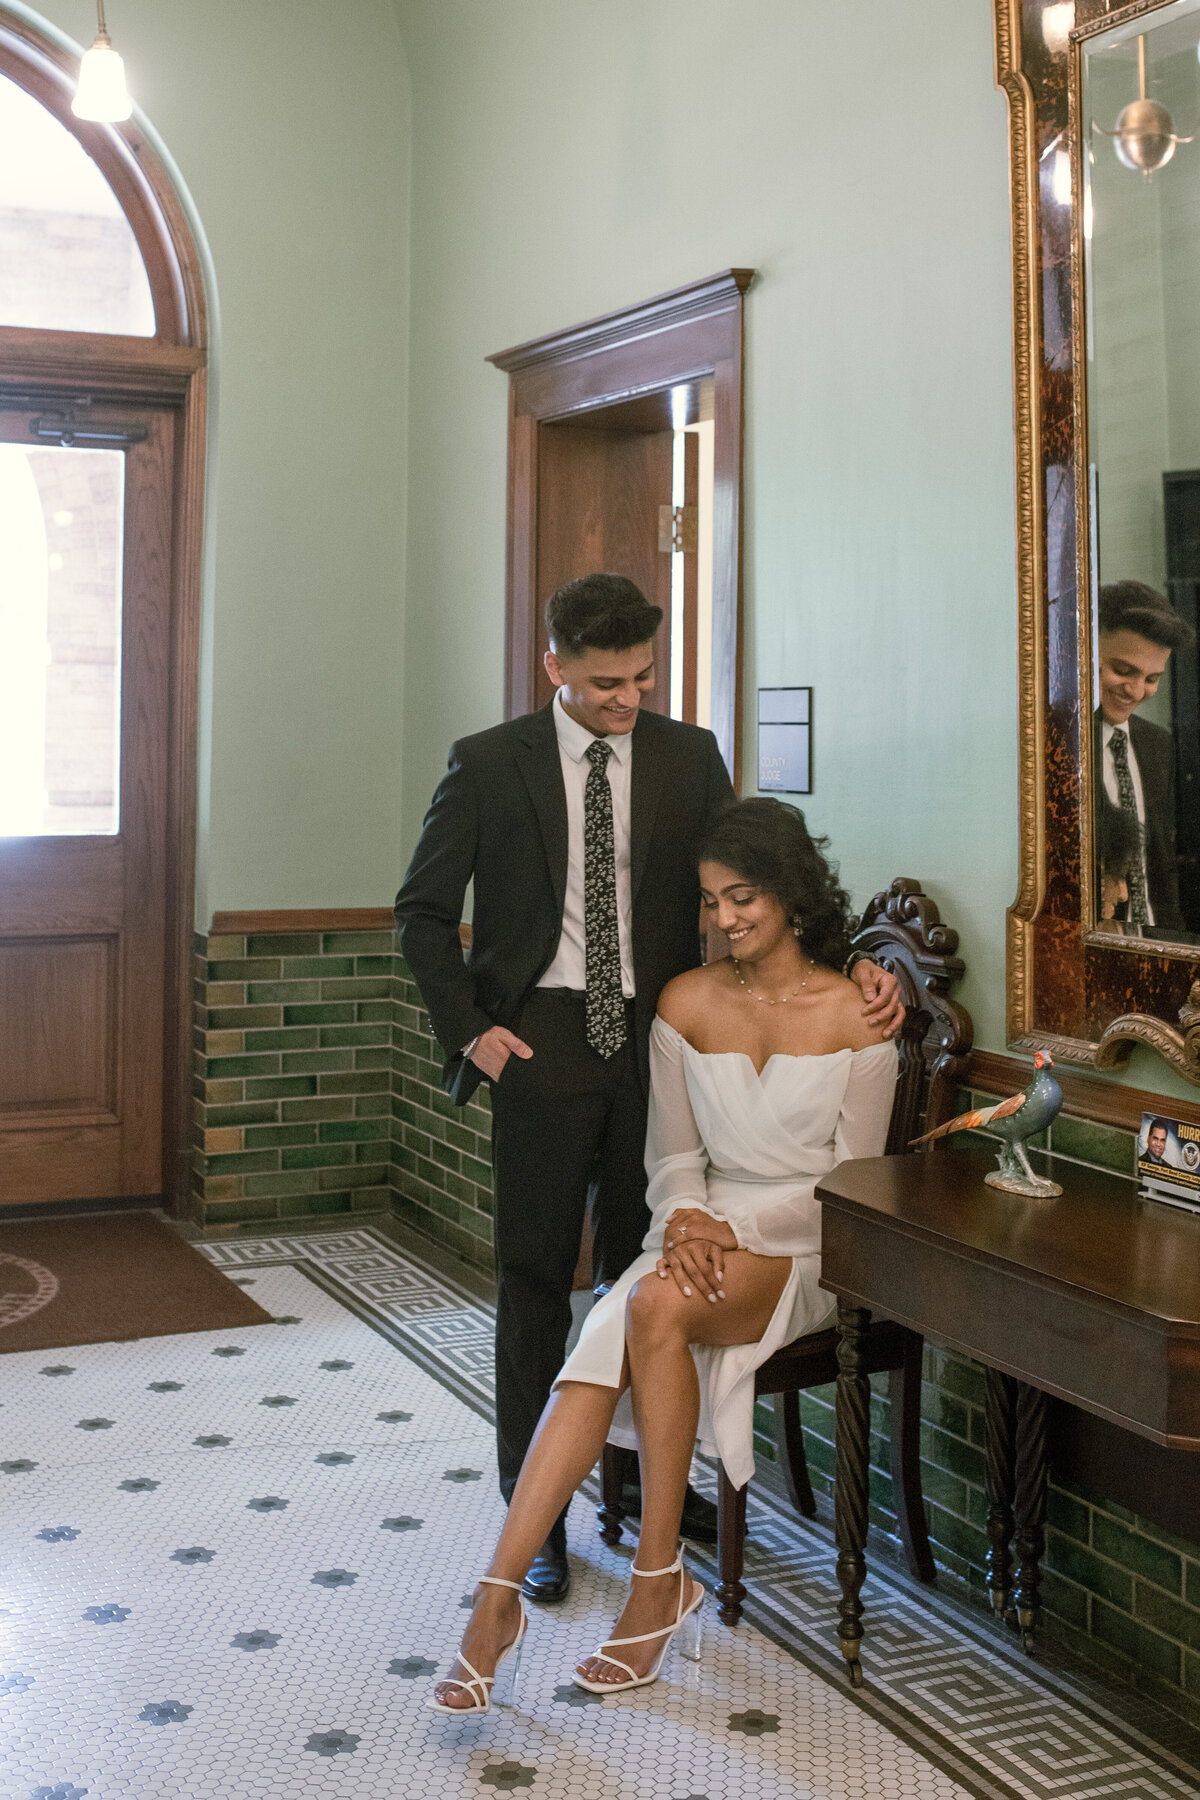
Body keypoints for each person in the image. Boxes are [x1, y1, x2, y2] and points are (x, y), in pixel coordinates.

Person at [396, 574, 904, 1604]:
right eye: (602, 683)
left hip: (657, 1034)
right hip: (538, 1043)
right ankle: (528, 1511)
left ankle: (645, 1491)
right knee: (537, 1276)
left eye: (639, 678)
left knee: (644, 1269)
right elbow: (419, 911)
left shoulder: (689, 756)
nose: (626, 699)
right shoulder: (490, 764)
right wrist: (474, 1035)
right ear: (556, 669)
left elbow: (761, 874)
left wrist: (851, 962)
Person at [427, 797, 898, 1714]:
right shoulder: (685, 1000)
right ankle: (500, 1602)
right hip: (693, 1233)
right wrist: (687, 1219)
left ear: (793, 895)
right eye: (711, 901)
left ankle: (652, 1583)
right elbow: (674, 1156)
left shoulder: (855, 1016)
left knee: (645, 1309)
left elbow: (857, 1189)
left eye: (745, 899)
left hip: (802, 1248)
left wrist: (736, 1232)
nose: (724, 920)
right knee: (610, 1335)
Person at [1093, 580, 1194, 934]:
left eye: (1152, 678)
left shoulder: (1157, 744)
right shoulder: (1059, 744)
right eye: (1123, 670)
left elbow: (1161, 869)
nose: (1137, 691)